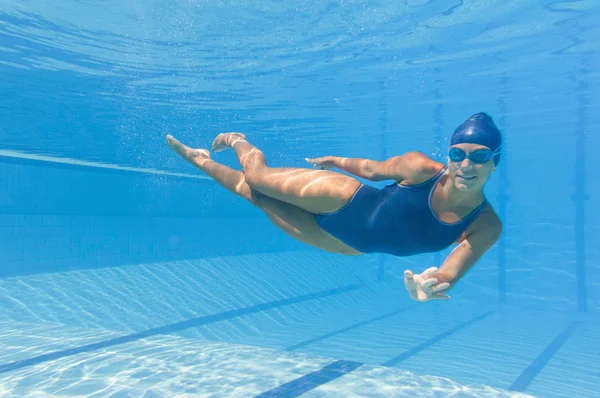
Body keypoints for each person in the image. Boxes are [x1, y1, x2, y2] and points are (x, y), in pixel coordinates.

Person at [166, 112, 503, 303]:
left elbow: (452, 270)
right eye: (458, 154)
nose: (466, 164)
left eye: (480, 155)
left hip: (348, 245)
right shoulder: (420, 168)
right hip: (345, 197)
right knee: (257, 178)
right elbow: (373, 170)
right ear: (449, 156)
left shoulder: (486, 225)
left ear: (494, 163)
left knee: (258, 199)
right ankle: (237, 140)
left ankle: (201, 161)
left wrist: (430, 286)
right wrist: (336, 162)